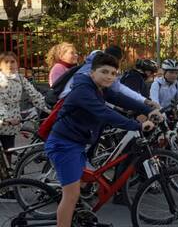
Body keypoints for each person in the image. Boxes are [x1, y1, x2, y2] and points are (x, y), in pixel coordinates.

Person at [44, 53, 161, 227]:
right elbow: (104, 113)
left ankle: (78, 216)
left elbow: (120, 98)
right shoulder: (83, 90)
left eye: (113, 73)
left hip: (78, 143)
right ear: (92, 73)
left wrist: (147, 109)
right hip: (64, 145)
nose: (109, 76)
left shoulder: (98, 88)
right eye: (104, 72)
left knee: (85, 182)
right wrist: (137, 125)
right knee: (71, 195)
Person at [0, 52, 48, 161]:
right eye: (6, 62)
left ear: (17, 64)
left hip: (12, 124)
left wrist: (50, 110)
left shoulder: (20, 79)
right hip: (4, 119)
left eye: (12, 62)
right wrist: (5, 118)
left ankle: (8, 176)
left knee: (8, 151)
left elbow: (35, 96)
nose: (9, 65)